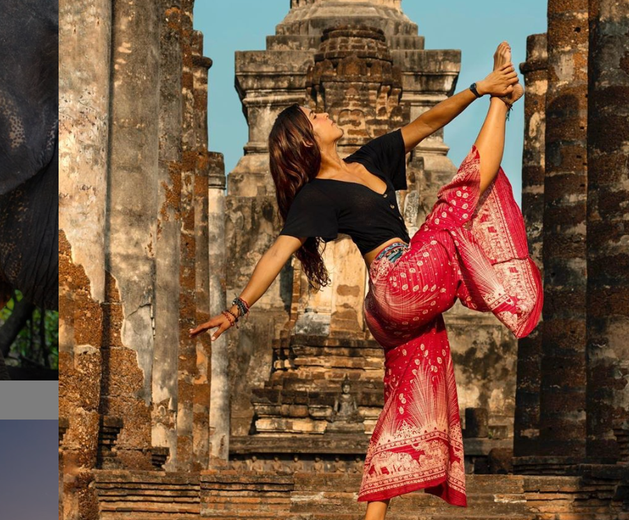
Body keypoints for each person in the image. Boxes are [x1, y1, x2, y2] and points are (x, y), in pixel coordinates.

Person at [190, 42, 543, 519]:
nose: (323, 114)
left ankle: (373, 517)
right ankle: (506, 102)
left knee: (415, 389)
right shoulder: (315, 193)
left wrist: (478, 89)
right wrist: (238, 308)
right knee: (456, 204)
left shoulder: (369, 161)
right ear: (305, 140)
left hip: (396, 307)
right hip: (397, 280)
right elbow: (279, 250)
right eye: (313, 115)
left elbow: (427, 122)